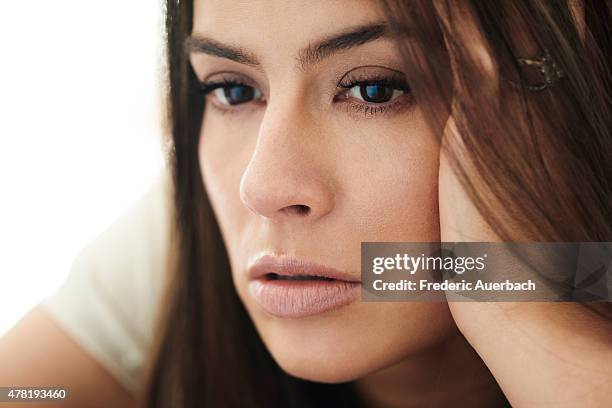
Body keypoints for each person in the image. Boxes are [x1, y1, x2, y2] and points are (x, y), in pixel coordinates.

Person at [1, 1, 610, 407]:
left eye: (376, 88)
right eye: (233, 90)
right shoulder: (188, 243)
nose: (263, 189)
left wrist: (532, 323)